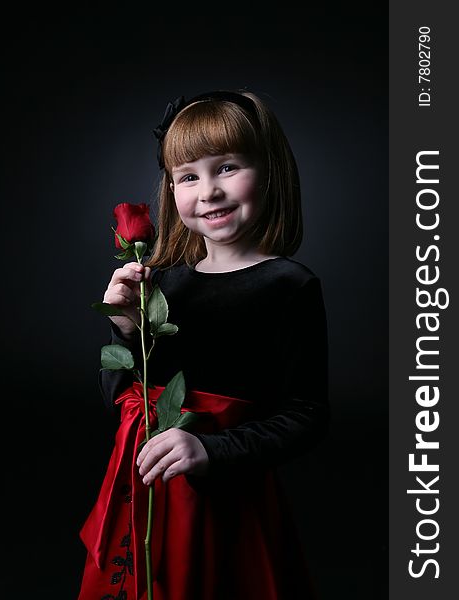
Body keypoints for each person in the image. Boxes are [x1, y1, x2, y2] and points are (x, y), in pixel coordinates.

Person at [78, 89, 329, 600]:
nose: (208, 191)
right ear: (171, 190)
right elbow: (122, 402)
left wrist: (212, 450)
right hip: (150, 494)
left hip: (225, 499)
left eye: (228, 168)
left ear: (269, 172)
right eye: (188, 177)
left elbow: (306, 414)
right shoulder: (165, 282)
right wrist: (125, 328)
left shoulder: (288, 286)